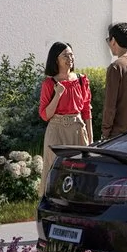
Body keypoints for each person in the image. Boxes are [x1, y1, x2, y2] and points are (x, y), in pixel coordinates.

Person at [36, 42, 92, 181]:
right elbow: (45, 115)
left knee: (80, 171)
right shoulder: (49, 84)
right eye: (65, 55)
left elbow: (86, 109)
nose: (70, 58)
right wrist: (58, 94)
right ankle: (52, 201)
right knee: (56, 172)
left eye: (71, 54)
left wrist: (90, 139)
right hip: (56, 131)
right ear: (56, 59)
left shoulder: (81, 80)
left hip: (77, 130)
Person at [100, 22, 127, 141]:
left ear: (113, 40)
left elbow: (110, 106)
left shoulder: (116, 67)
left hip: (118, 136)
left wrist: (105, 133)